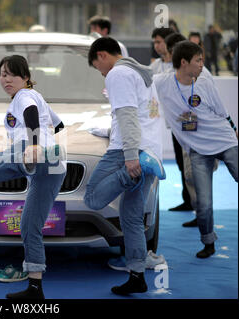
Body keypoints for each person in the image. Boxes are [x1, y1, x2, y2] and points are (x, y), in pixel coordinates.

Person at [0, 55, 66, 299]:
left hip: (30, 151)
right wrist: (47, 143)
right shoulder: (37, 96)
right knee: (29, 226)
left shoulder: (24, 96)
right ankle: (35, 289)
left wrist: (35, 145)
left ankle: (35, 157)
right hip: (54, 168)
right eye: (2, 74)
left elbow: (32, 113)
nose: (5, 79)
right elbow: (59, 125)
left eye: (11, 74)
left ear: (25, 78)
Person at [85, 37, 166, 295]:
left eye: (98, 68)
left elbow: (128, 114)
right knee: (131, 217)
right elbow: (142, 114)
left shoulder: (118, 73)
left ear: (102, 55)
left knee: (93, 197)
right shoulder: (141, 73)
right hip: (150, 152)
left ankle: (130, 176)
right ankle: (137, 274)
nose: (101, 73)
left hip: (128, 152)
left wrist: (131, 156)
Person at [153, 40, 238, 258]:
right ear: (183, 62)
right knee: (203, 203)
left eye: (202, 60)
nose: (202, 64)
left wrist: (234, 129)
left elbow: (222, 110)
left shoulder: (205, 81)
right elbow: (141, 78)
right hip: (198, 151)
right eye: (198, 60)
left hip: (225, 141)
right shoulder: (162, 83)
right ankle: (208, 242)